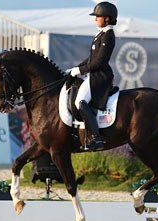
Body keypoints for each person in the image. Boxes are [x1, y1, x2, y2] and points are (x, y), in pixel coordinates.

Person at [66, 1, 118, 151]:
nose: (95, 19)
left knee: (80, 102)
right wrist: (76, 68)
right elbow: (91, 59)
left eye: (98, 16)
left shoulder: (108, 36)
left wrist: (79, 71)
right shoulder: (101, 34)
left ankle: (97, 139)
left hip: (100, 76)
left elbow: (99, 63)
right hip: (95, 74)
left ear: (107, 18)